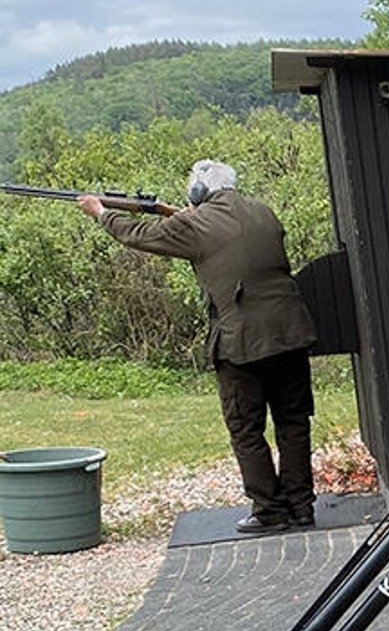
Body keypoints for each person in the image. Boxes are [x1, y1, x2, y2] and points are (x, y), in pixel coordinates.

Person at [78, 159, 318, 535]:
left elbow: (138, 234)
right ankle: (301, 507)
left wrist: (101, 212)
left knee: (246, 427)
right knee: (293, 421)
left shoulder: (193, 223)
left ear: (196, 192)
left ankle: (270, 511)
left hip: (241, 340)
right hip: (291, 331)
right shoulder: (263, 211)